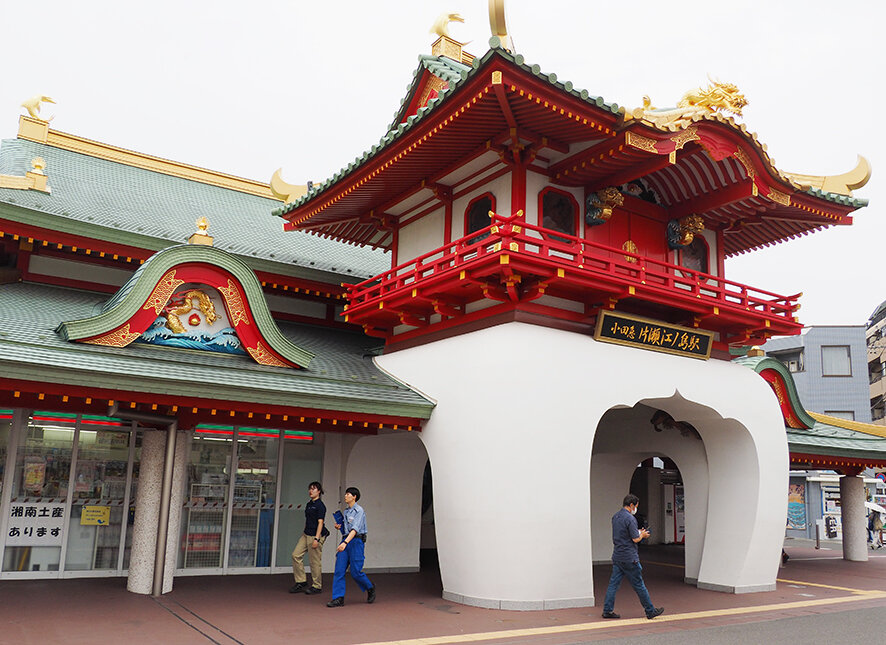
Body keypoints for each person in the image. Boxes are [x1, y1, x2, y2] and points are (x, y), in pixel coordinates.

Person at [601, 494, 664, 620]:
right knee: (639, 585)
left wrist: (638, 532)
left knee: (613, 585)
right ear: (631, 505)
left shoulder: (616, 517)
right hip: (630, 557)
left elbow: (625, 534)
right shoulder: (630, 518)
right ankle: (650, 610)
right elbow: (635, 539)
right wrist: (643, 535)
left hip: (617, 556)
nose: (636, 508)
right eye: (636, 506)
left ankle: (607, 610)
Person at [327, 486, 376, 607]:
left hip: (356, 542)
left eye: (348, 494)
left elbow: (355, 530)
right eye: (345, 494)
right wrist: (339, 528)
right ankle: (338, 598)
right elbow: (346, 530)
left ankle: (370, 587)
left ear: (354, 497)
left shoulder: (359, 511)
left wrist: (345, 543)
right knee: (339, 570)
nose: (346, 496)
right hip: (346, 540)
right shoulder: (346, 512)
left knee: (355, 572)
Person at [290, 481, 328, 594]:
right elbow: (308, 520)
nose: (311, 491)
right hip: (306, 534)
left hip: (315, 535)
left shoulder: (320, 506)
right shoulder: (309, 504)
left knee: (314, 562)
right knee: (296, 555)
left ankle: (317, 586)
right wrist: (304, 532)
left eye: (313, 489)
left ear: (319, 491)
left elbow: (320, 523)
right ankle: (301, 581)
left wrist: (317, 539)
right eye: (310, 489)